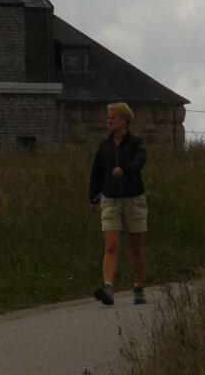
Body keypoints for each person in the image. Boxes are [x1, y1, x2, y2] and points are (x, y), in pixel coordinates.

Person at [88, 101, 148, 306]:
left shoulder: (136, 143)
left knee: (135, 247)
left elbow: (140, 161)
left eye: (113, 117)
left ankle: (138, 287)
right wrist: (93, 197)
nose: (109, 120)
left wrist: (124, 169)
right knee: (111, 246)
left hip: (133, 200)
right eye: (108, 117)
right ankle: (108, 287)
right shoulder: (104, 147)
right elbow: (96, 172)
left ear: (124, 119)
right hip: (111, 200)